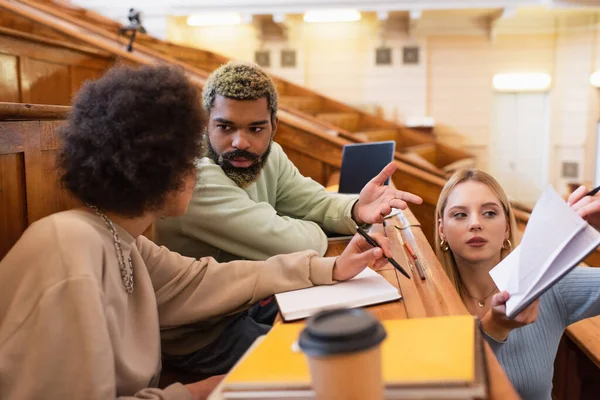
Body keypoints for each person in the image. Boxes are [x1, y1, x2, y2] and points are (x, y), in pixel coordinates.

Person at [0, 65, 394, 400]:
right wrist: (201, 390)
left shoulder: (117, 237)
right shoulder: (67, 249)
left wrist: (329, 270)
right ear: (157, 167)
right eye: (186, 155)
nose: (198, 167)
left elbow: (201, 279)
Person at [153, 60, 422, 263]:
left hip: (253, 302)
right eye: (225, 128)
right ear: (205, 125)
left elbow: (313, 202)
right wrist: (296, 224)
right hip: (213, 327)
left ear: (274, 126)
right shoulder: (192, 177)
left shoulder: (271, 155)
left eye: (256, 129)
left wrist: (356, 209)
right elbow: (291, 245)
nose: (240, 143)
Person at [434, 169, 600, 400]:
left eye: (489, 213)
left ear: (507, 229)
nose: (475, 223)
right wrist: (494, 329)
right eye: (460, 215)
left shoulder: (551, 284)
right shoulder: (425, 298)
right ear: (442, 229)